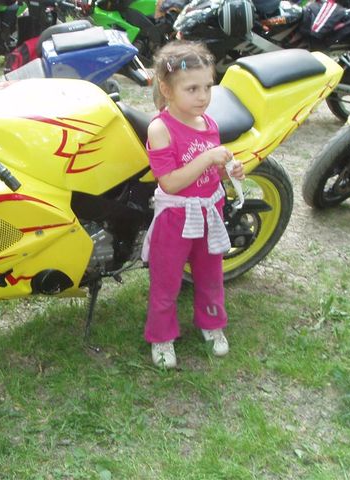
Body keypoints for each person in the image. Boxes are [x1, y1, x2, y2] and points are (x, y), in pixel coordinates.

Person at [141, 40, 244, 369]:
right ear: (166, 89)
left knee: (211, 274)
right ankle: (161, 336)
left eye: (208, 87)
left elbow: (210, 170)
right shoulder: (160, 128)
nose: (203, 96)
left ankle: (212, 323)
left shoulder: (208, 123)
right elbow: (170, 182)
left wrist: (228, 169)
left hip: (208, 212)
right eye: (192, 89)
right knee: (167, 280)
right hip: (176, 217)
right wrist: (208, 158)